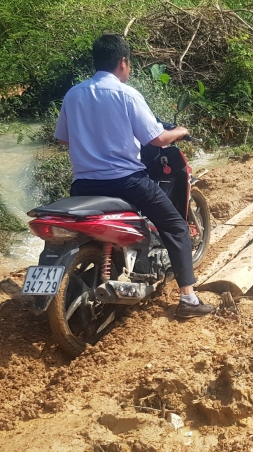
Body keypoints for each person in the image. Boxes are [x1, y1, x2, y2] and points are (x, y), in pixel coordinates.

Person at [54, 34, 215, 319]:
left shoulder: (73, 94)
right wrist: (181, 131)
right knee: (176, 226)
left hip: (83, 186)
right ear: (123, 62)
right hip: (127, 183)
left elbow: (64, 140)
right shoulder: (126, 94)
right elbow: (157, 139)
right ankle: (188, 300)